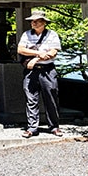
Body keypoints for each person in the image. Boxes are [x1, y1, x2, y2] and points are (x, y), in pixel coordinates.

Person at [17, 10, 63, 138]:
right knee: (31, 98)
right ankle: (32, 127)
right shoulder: (26, 35)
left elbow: (53, 52)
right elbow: (20, 49)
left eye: (36, 21)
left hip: (47, 69)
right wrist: (38, 54)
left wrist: (36, 59)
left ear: (44, 23)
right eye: (32, 21)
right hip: (31, 71)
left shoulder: (52, 35)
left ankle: (54, 126)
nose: (33, 23)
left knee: (51, 97)